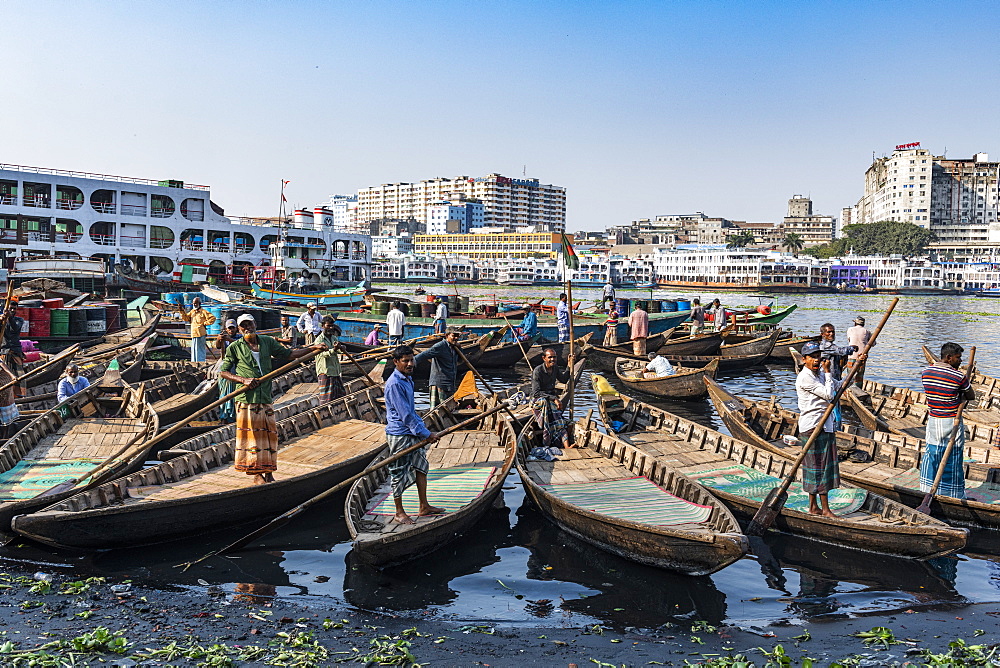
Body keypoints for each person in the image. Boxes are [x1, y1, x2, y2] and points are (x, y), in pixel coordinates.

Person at [220, 314, 325, 485]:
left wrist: (313, 348)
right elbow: (224, 371)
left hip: (264, 395)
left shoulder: (267, 342)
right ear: (239, 329)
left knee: (269, 436)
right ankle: (256, 473)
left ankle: (268, 471)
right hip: (246, 398)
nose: (247, 328)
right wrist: (244, 380)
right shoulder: (235, 347)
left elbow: (289, 354)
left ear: (255, 324)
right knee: (252, 438)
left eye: (250, 324)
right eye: (243, 325)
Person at [383, 345, 444, 524]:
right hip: (400, 434)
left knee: (421, 467)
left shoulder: (407, 379)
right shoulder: (394, 383)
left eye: (412, 360)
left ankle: (424, 506)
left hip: (412, 432)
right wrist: (426, 434)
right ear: (396, 362)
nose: (411, 364)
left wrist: (422, 430)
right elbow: (406, 416)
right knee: (398, 472)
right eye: (406, 361)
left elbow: (412, 411)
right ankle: (399, 512)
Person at [796, 340, 858, 518]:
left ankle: (814, 507)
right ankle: (824, 509)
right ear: (804, 359)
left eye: (818, 357)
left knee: (820, 467)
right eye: (812, 357)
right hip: (813, 426)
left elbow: (838, 385)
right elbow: (830, 395)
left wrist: (856, 365)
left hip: (825, 425)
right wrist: (828, 371)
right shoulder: (805, 377)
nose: (817, 360)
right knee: (818, 468)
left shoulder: (820, 375)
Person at [920, 342, 975, 500]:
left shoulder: (926, 372)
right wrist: (961, 389)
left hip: (934, 418)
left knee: (933, 452)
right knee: (953, 456)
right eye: (958, 358)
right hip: (951, 420)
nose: (960, 361)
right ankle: (953, 494)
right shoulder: (958, 376)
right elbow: (971, 396)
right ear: (949, 358)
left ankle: (927, 487)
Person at [531, 347, 572, 449]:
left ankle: (567, 446)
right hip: (539, 399)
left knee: (559, 421)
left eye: (554, 357)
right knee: (545, 402)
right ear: (544, 358)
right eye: (550, 357)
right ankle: (547, 441)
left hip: (551, 399)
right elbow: (536, 393)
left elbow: (563, 379)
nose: (553, 359)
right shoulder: (538, 371)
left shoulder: (555, 368)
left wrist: (569, 366)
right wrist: (554, 399)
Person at [415, 328, 460, 407]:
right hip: (439, 383)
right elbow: (424, 354)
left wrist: (460, 348)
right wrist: (411, 363)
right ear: (447, 336)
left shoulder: (455, 348)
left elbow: (460, 359)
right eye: (453, 336)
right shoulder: (440, 346)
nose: (456, 338)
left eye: (457, 336)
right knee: (438, 409)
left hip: (450, 383)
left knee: (449, 408)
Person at [214, 319, 242, 424]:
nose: (231, 330)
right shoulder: (224, 338)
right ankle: (224, 416)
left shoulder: (239, 338)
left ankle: (232, 416)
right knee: (223, 392)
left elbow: (241, 345)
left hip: (235, 367)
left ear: (236, 328)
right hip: (226, 367)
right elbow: (217, 346)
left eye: (233, 328)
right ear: (226, 329)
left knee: (233, 392)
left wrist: (229, 339)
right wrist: (219, 339)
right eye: (229, 328)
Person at [314, 316, 346, 401]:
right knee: (326, 398)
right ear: (323, 326)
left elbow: (338, 351)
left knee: (340, 395)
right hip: (326, 371)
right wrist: (334, 349)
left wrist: (341, 348)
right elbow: (323, 354)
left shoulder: (333, 338)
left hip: (335, 371)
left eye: (332, 326)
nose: (331, 328)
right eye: (328, 326)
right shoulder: (319, 340)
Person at [177, 297, 217, 363]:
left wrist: (205, 323)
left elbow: (212, 318)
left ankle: (201, 362)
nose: (194, 305)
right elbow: (186, 318)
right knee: (194, 350)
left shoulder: (203, 312)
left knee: (200, 350)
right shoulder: (192, 312)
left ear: (199, 303)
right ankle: (194, 363)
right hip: (194, 333)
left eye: (196, 303)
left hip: (201, 333)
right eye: (193, 303)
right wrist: (181, 310)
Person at [0, 302, 25, 397]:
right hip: (4, 352)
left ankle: (20, 396)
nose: (13, 310)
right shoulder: (2, 320)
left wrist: (9, 317)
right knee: (5, 376)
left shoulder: (19, 320)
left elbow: (15, 328)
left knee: (19, 376)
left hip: (16, 351)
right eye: (11, 308)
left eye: (14, 308)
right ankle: (6, 396)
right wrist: (2, 320)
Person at [845, 316, 873, 387]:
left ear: (855, 323)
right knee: (859, 376)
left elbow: (849, 340)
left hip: (852, 356)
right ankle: (858, 390)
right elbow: (873, 343)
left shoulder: (850, 329)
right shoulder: (867, 331)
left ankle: (849, 389)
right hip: (862, 356)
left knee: (850, 375)